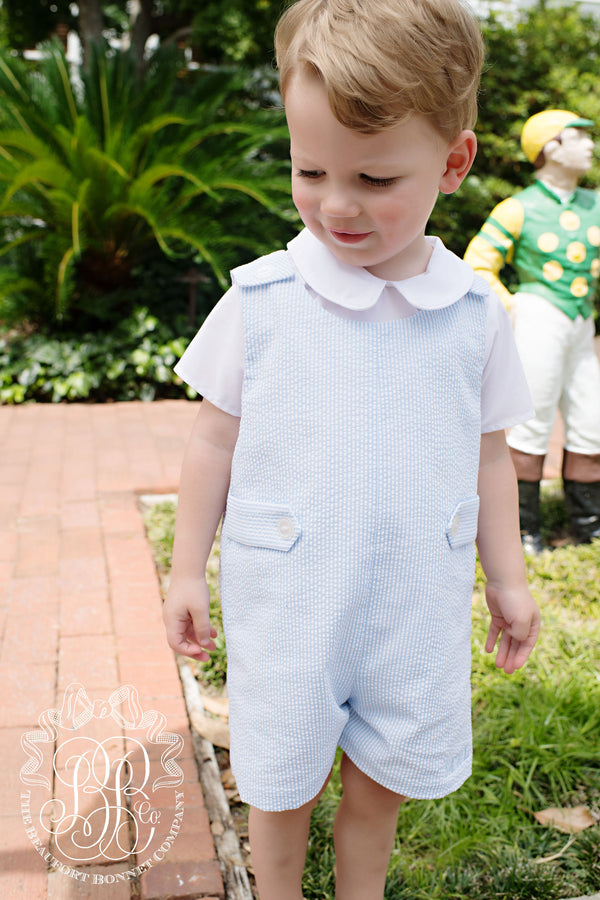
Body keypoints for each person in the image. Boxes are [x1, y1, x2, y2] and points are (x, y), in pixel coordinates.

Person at [163, 2, 541, 898]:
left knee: (382, 779)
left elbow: (491, 458)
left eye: (375, 178)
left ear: (453, 163)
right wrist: (185, 571)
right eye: (310, 170)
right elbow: (213, 442)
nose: (337, 204)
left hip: (416, 601)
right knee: (281, 778)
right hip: (289, 596)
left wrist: (510, 579)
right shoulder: (263, 301)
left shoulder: (472, 313)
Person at [464, 109, 600, 552]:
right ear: (551, 147)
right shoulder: (519, 206)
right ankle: (524, 531)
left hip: (582, 322)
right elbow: (479, 262)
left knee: (591, 420)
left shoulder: (594, 204)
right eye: (579, 137)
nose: (590, 145)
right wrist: (511, 307)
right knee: (531, 422)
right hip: (539, 316)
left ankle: (588, 527)